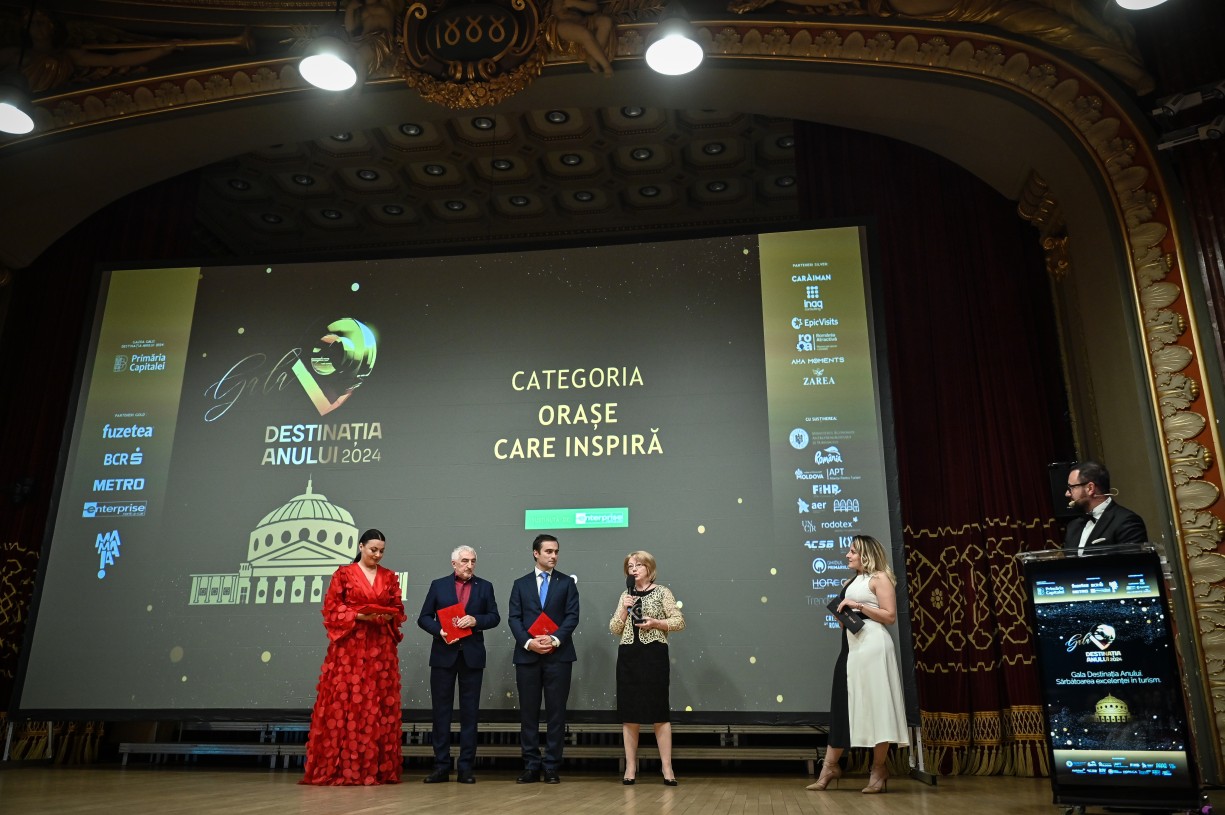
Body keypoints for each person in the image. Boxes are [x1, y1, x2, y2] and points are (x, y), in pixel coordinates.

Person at [301, 529, 407, 785]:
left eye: (381, 551)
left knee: (376, 701)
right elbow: (331, 608)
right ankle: (342, 767)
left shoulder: (389, 576)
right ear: (361, 547)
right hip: (350, 648)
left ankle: (375, 768)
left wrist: (387, 614)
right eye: (373, 550)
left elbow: (397, 608)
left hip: (380, 648)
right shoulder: (343, 574)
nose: (377, 555)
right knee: (347, 699)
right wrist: (360, 615)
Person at [808, 534, 908, 794]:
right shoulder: (851, 581)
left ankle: (878, 769)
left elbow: (890, 616)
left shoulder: (880, 578)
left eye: (852, 551)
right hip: (851, 647)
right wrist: (844, 616)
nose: (847, 555)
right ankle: (830, 766)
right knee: (842, 704)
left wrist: (858, 606)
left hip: (873, 647)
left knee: (878, 707)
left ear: (866, 554)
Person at [416, 545, 501, 784]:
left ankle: (465, 768)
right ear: (454, 563)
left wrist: (476, 620)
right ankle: (441, 766)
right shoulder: (438, 585)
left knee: (470, 714)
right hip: (443, 655)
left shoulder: (485, 586)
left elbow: (494, 617)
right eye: (464, 561)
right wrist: (439, 631)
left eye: (473, 561)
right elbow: (423, 618)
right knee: (441, 713)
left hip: (472, 657)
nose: (469, 565)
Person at [508, 533, 580, 783]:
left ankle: (551, 766)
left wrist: (554, 639)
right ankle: (531, 765)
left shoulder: (567, 583)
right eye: (549, 551)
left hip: (559, 656)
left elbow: (572, 616)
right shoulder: (520, 584)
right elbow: (514, 618)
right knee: (528, 713)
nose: (554, 556)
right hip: (527, 657)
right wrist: (529, 643)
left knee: (556, 713)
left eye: (556, 551)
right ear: (536, 553)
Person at [609, 550, 685, 786]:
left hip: (654, 655)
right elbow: (614, 628)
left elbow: (679, 621)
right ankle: (631, 767)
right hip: (629, 656)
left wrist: (656, 623)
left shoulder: (662, 592)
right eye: (630, 566)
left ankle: (667, 767)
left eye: (638, 565)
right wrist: (624, 609)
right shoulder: (625, 595)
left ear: (649, 568)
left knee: (658, 712)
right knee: (630, 713)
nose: (633, 569)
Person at [1063, 460, 1149, 554]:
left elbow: (1132, 562)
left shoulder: (1126, 521)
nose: (1067, 493)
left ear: (1090, 488)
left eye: (1071, 488)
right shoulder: (1073, 526)